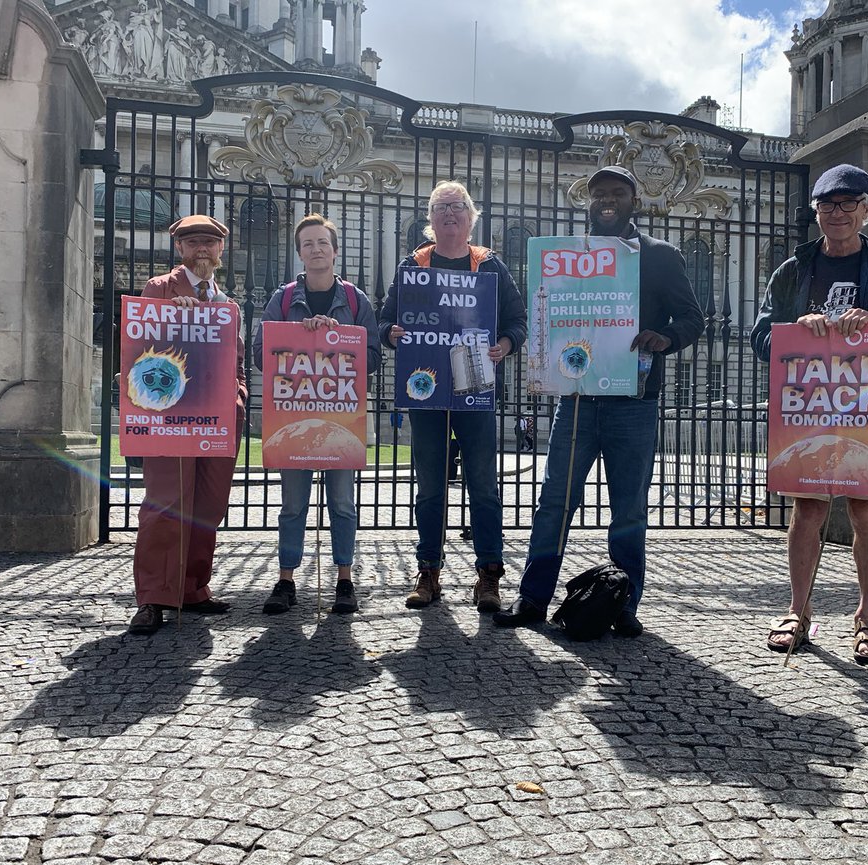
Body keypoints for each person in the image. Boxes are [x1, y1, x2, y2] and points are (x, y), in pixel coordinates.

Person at [493, 165, 704, 637]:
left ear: (634, 200)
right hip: (577, 399)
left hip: (635, 399)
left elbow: (693, 319)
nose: (607, 200)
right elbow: (546, 309)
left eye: (617, 193)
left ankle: (625, 605)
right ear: (588, 203)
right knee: (554, 503)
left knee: (628, 509)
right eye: (598, 194)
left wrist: (664, 338)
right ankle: (533, 598)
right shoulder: (564, 254)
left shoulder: (661, 255)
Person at [749, 164, 868, 664]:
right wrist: (794, 327)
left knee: (864, 509)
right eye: (828, 205)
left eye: (849, 204)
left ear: (867, 212)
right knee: (807, 508)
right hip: (807, 406)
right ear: (817, 213)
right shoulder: (792, 270)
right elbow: (761, 339)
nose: (838, 213)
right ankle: (797, 611)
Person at [378, 180, 527, 612]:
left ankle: (489, 576)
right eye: (441, 207)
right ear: (430, 218)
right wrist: (392, 332)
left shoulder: (490, 266)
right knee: (430, 488)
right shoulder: (414, 264)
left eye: (457, 207)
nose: (449, 214)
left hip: (476, 389)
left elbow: (518, 321)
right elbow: (386, 321)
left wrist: (506, 344)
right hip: (427, 392)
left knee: (483, 486)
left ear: (471, 217)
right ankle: (428, 572)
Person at [252, 214, 380, 615]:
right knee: (293, 505)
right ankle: (286, 580)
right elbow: (259, 353)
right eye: (308, 244)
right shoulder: (283, 300)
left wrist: (338, 337)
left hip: (342, 419)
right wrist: (298, 337)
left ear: (335, 250)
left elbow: (373, 357)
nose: (316, 249)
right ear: (300, 253)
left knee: (342, 503)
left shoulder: (356, 301)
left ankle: (344, 580)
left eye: (323, 242)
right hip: (292, 419)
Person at [129, 215, 247, 635]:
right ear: (179, 248)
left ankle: (193, 588)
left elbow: (236, 363)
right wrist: (166, 315)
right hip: (170, 417)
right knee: (166, 504)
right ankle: (155, 597)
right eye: (193, 242)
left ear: (220, 252)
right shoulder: (161, 289)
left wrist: (239, 398)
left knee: (208, 507)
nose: (202, 249)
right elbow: (140, 345)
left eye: (209, 243)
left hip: (217, 419)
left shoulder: (228, 304)